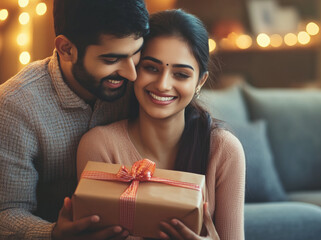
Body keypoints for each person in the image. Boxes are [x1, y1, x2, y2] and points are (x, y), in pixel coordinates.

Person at [76, 9, 245, 240]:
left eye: (181, 74)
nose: (163, 84)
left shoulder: (224, 150)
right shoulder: (99, 146)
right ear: (135, 67)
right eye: (152, 68)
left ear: (200, 81)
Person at [0, 0, 149, 239]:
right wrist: (52, 234)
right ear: (66, 48)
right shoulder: (15, 105)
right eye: (112, 60)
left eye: (136, 53)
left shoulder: (142, 84)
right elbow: (6, 211)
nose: (131, 73)